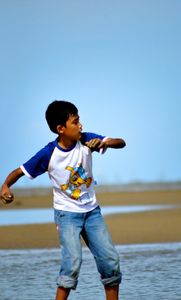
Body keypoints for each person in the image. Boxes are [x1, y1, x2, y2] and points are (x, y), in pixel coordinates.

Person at [0, 100, 126, 300]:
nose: (81, 126)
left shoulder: (87, 140)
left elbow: (121, 142)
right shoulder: (48, 153)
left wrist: (105, 143)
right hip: (66, 215)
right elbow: (19, 171)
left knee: (110, 261)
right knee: (72, 264)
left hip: (92, 212)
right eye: (75, 122)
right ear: (60, 129)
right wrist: (5, 186)